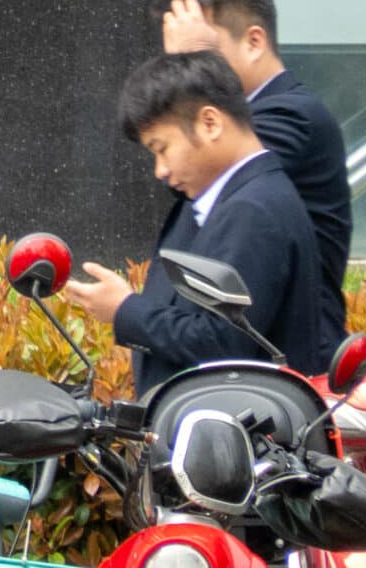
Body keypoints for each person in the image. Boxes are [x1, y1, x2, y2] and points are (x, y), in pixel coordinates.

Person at [62, 51, 337, 395]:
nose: (160, 170)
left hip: (240, 438)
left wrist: (124, 310)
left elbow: (223, 343)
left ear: (210, 123)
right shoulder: (223, 201)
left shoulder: (256, 210)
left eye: (162, 148)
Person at [156, 0, 352, 321]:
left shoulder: (292, 117)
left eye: (201, 57)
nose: (183, 76)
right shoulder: (256, 113)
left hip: (278, 364)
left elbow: (209, 167)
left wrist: (186, 78)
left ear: (254, 42)